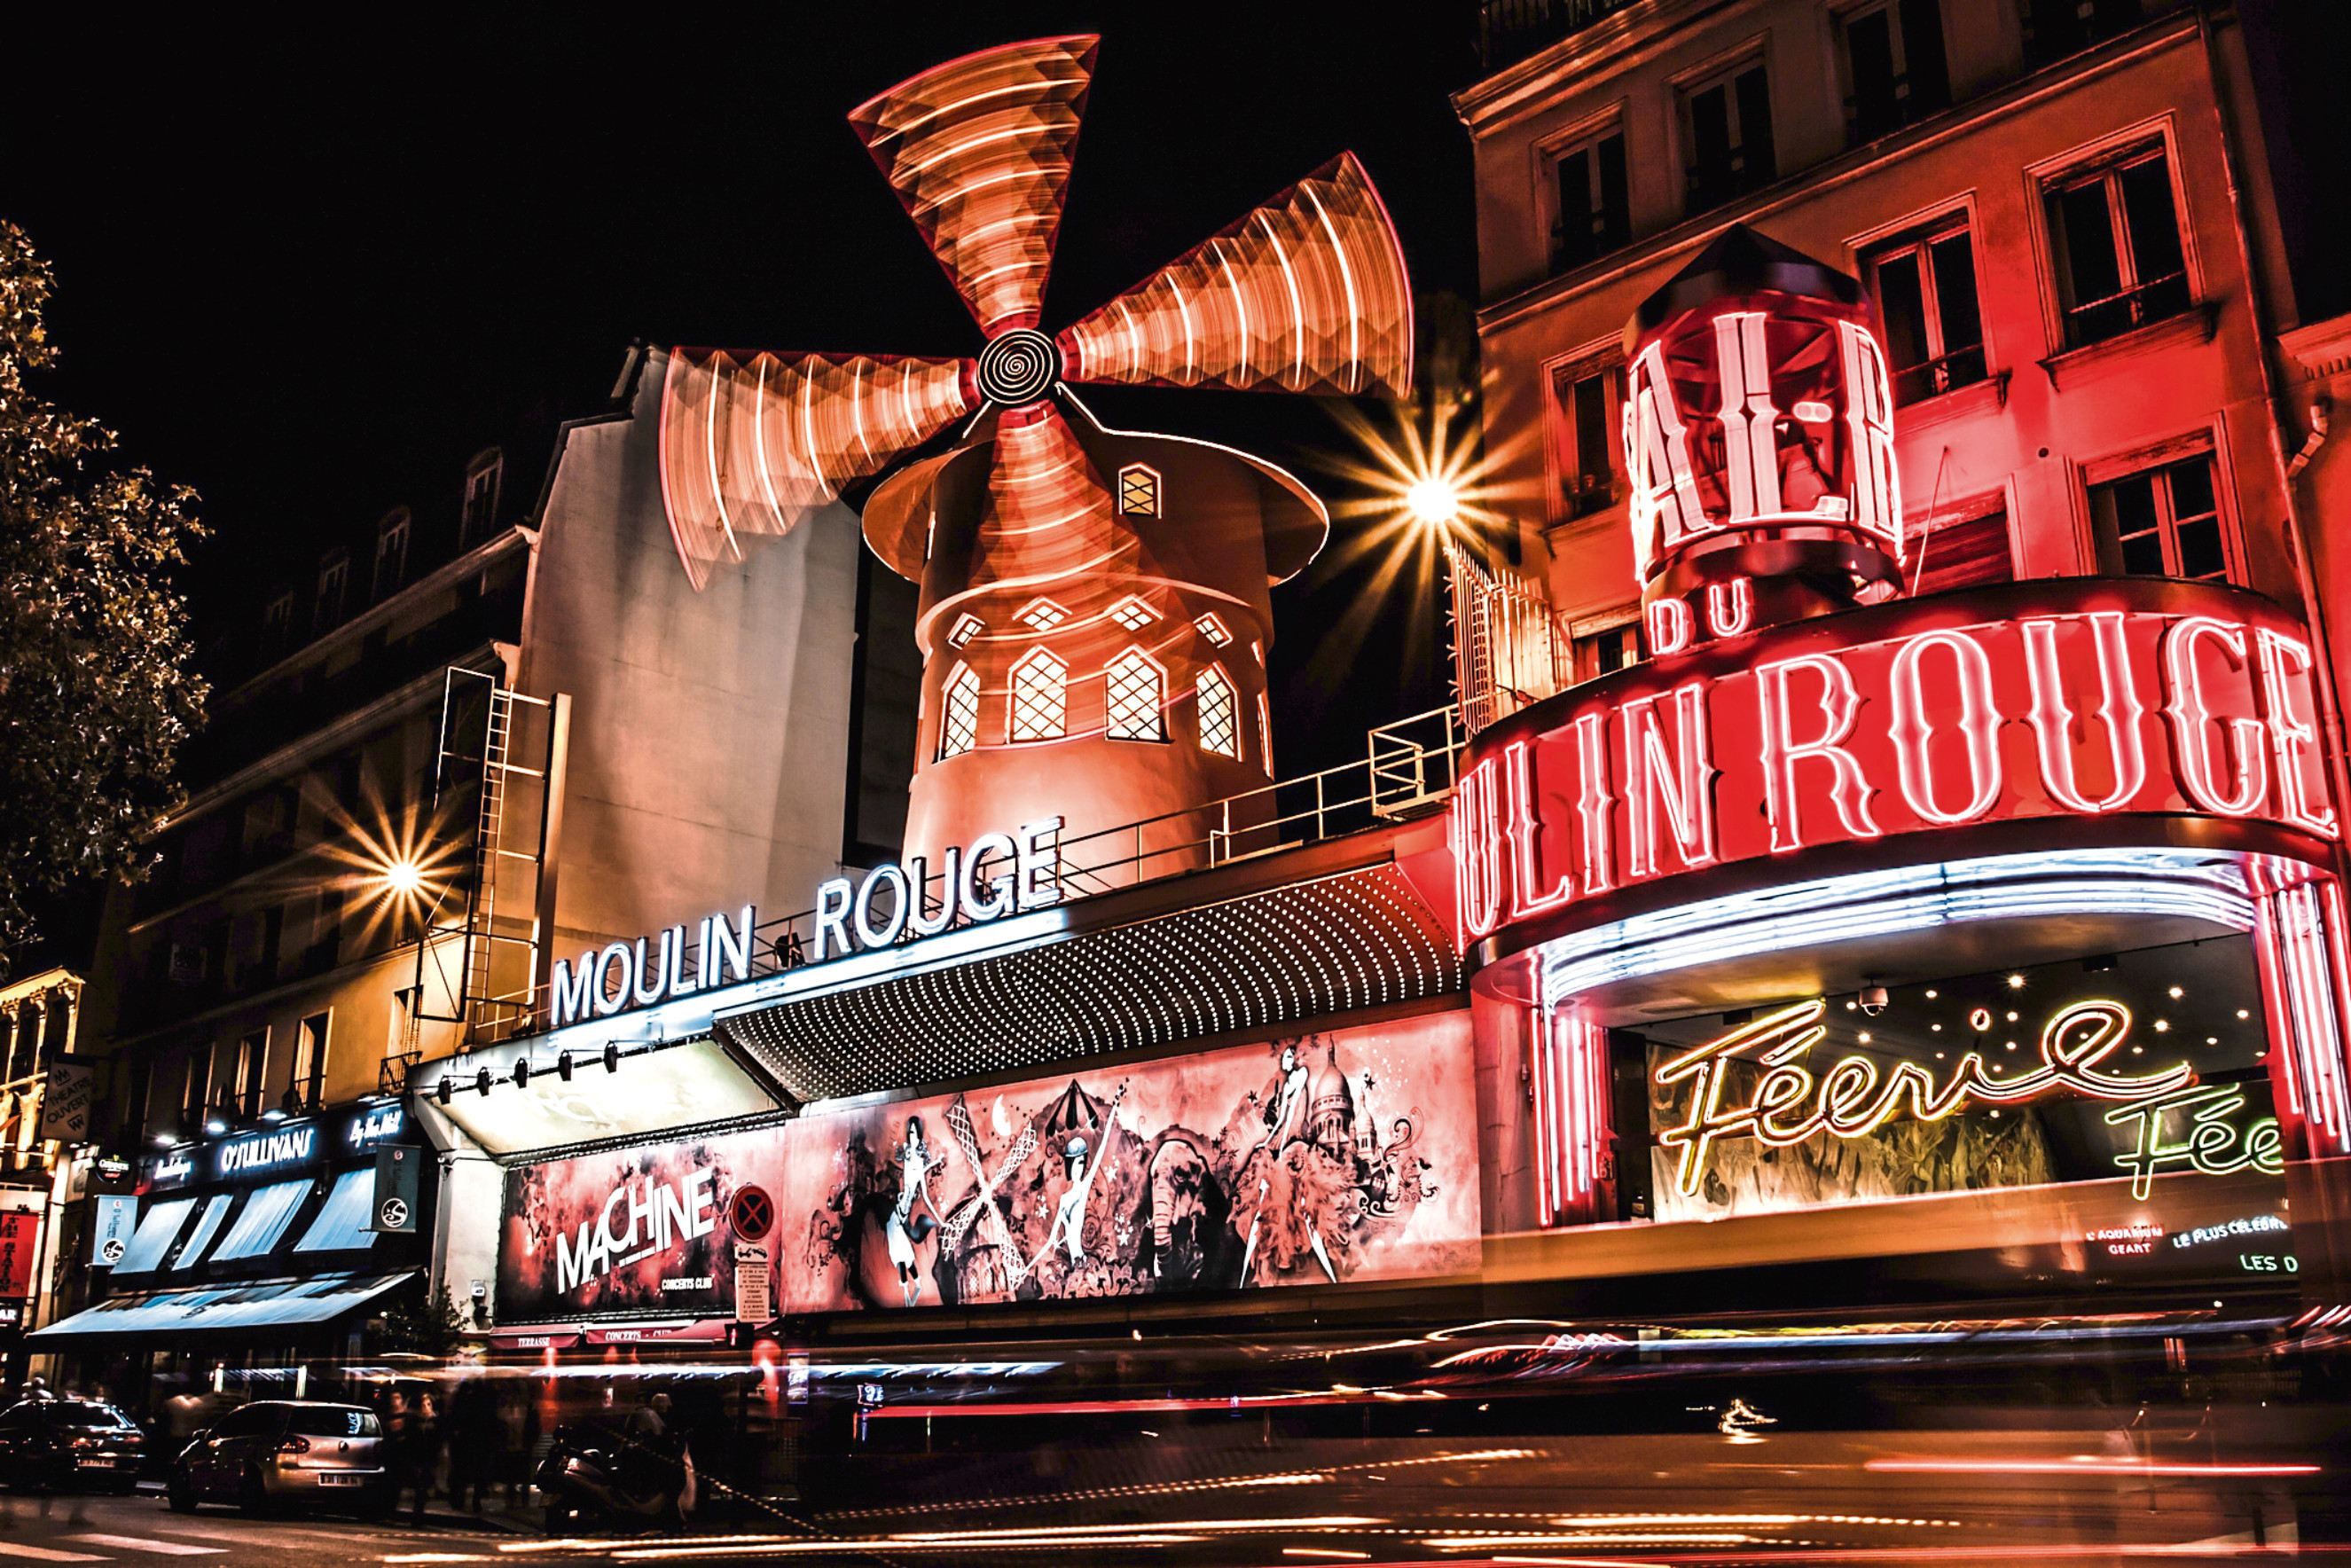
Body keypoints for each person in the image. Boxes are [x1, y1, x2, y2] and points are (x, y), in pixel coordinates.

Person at [884, 1117, 943, 1307]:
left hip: (902, 1215)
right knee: (900, 1253)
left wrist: (941, 1221)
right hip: (898, 1214)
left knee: (903, 1253)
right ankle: (907, 1291)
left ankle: (914, 1286)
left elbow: (925, 1195)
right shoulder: (908, 1153)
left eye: (915, 1134)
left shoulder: (919, 1169)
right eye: (910, 1134)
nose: (912, 1137)